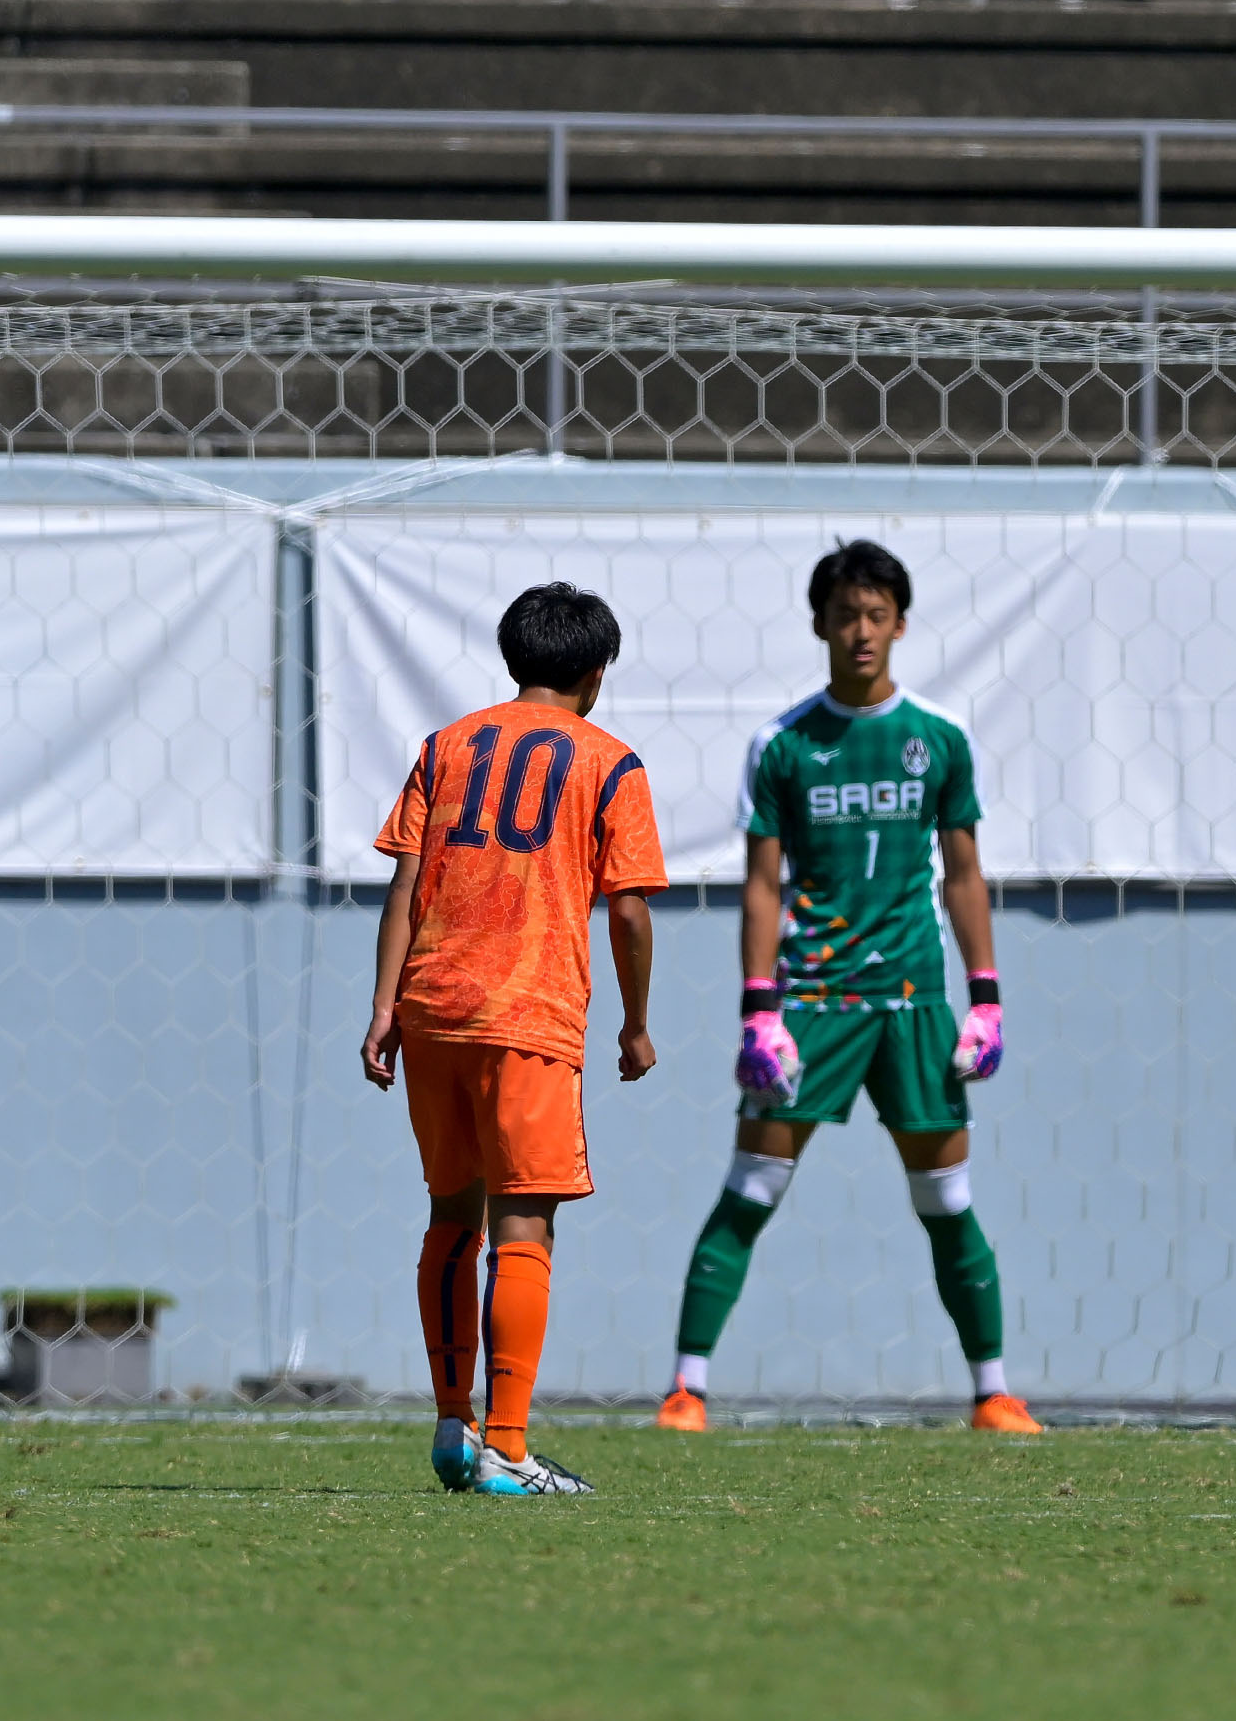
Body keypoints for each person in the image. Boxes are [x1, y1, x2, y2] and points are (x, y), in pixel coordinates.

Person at [656, 540, 1036, 1434]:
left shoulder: (938, 740)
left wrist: (985, 999)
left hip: (911, 1003)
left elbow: (965, 873)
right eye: (845, 616)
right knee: (753, 1188)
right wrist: (759, 1013)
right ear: (819, 624)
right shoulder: (784, 745)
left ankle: (995, 1393)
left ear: (900, 624)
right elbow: (761, 885)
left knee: (946, 1201)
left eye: (876, 616)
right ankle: (686, 1388)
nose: (860, 632)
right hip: (814, 1003)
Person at [363, 582, 666, 1496]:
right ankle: (507, 1445)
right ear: (595, 674)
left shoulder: (444, 747)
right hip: (528, 1013)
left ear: (512, 659)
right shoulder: (610, 762)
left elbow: (406, 885)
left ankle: (453, 1426)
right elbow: (632, 910)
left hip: (432, 1007)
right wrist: (637, 1020)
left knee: (450, 1214)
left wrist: (383, 1008)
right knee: (523, 1222)